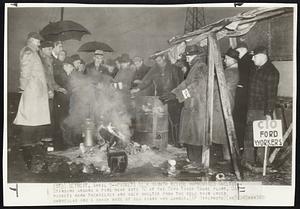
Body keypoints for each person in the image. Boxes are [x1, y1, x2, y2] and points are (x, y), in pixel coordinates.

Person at [160, 45, 208, 162]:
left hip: (197, 106)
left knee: (195, 136)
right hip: (192, 106)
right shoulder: (194, 67)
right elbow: (185, 84)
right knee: (191, 135)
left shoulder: (200, 66)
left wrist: (178, 96)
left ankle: (196, 162)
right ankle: (193, 160)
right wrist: (172, 93)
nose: (187, 58)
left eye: (189, 55)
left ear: (196, 56)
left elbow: (196, 87)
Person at [13, 32, 50, 168]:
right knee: (28, 121)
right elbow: (25, 72)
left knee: (35, 121)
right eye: (37, 40)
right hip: (32, 92)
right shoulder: (28, 52)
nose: (40, 43)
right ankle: (27, 154)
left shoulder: (34, 52)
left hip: (37, 93)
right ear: (31, 40)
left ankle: (33, 151)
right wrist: (22, 88)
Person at [131, 52, 183, 146]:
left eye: (159, 60)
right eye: (156, 61)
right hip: (161, 98)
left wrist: (175, 94)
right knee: (162, 119)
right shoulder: (155, 69)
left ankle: (177, 142)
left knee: (174, 120)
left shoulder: (173, 68)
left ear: (163, 57)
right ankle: (166, 141)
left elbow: (179, 83)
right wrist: (137, 89)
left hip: (173, 97)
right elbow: (147, 80)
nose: (158, 62)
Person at [243, 46, 280, 167]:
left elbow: (271, 95)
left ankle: (262, 162)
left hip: (261, 110)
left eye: (254, 56)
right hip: (251, 108)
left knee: (262, 137)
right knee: (249, 135)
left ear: (262, 56)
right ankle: (247, 160)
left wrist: (268, 113)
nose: (252, 59)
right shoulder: (255, 69)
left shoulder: (272, 72)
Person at [213, 48, 239, 163]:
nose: (225, 60)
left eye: (227, 59)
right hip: (224, 103)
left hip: (224, 103)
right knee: (223, 129)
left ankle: (228, 156)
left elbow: (221, 86)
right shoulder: (230, 71)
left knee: (224, 130)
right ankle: (226, 155)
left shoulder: (231, 72)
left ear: (233, 60)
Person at [39, 40, 67, 138]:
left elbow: (51, 80)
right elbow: (41, 78)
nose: (50, 51)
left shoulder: (49, 60)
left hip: (50, 93)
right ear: (42, 49)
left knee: (49, 117)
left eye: (51, 49)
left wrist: (58, 88)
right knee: (43, 117)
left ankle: (46, 139)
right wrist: (47, 90)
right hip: (42, 93)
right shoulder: (40, 61)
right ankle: (40, 140)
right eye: (49, 49)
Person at [233, 42, 255, 151]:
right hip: (245, 96)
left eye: (237, 51)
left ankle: (240, 146)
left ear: (241, 50)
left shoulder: (244, 61)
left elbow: (244, 80)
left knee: (240, 121)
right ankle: (241, 146)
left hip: (243, 97)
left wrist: (239, 85)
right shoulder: (249, 60)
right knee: (241, 121)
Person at [53, 57, 75, 148]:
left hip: (65, 102)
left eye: (72, 67)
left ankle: (66, 142)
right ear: (65, 66)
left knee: (65, 122)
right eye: (71, 67)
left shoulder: (67, 75)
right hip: (60, 102)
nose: (72, 69)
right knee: (62, 122)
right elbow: (66, 87)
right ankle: (64, 143)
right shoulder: (61, 75)